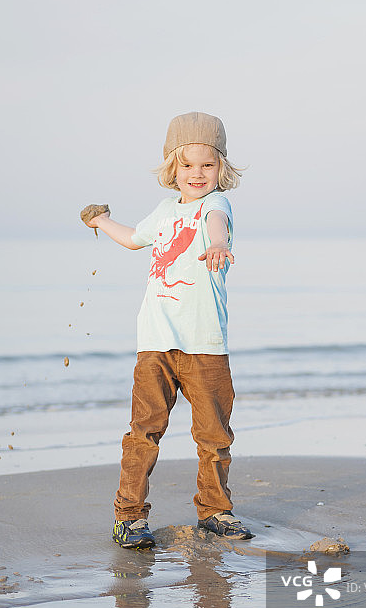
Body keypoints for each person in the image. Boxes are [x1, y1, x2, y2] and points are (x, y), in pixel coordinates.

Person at [81, 111, 254, 549]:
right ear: (172, 167)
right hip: (155, 342)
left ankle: (215, 511)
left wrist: (218, 244)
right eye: (187, 165)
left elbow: (217, 226)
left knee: (214, 434)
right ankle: (129, 516)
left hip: (206, 345)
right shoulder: (162, 211)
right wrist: (101, 221)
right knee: (144, 431)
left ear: (222, 168)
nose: (197, 174)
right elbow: (133, 239)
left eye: (207, 165)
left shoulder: (216, 206)